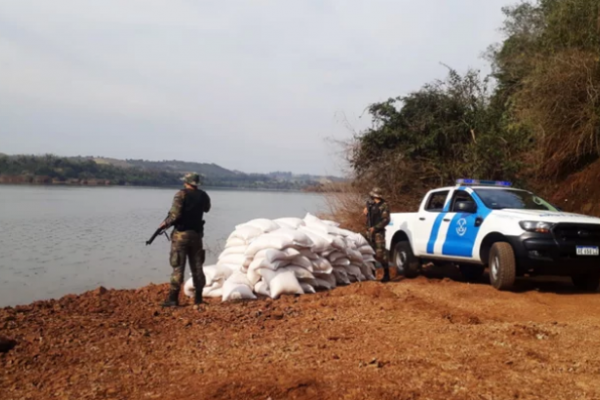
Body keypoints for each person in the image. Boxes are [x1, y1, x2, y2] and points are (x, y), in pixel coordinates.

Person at [158, 172, 211, 308]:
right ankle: (198, 299)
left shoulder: (181, 195)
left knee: (178, 267)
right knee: (197, 267)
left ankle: (173, 299)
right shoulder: (204, 196)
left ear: (186, 182)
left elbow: (175, 215)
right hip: (196, 235)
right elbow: (207, 209)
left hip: (181, 235)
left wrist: (165, 224)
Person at [363, 188, 391, 282]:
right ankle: (372, 275)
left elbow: (386, 220)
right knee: (371, 253)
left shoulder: (384, 205)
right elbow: (369, 218)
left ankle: (386, 274)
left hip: (378, 233)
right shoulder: (371, 205)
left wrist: (375, 228)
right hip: (370, 232)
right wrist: (366, 212)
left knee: (380, 254)